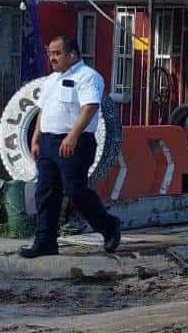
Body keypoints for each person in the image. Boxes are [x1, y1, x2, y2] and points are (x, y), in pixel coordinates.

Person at [20, 36, 121, 259]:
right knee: (45, 192)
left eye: (57, 53)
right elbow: (43, 110)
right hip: (48, 141)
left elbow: (90, 107)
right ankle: (45, 241)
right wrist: (36, 138)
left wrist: (72, 136)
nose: (52, 58)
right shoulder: (51, 80)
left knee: (75, 191)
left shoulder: (88, 77)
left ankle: (109, 226)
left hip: (74, 142)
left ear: (72, 55)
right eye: (50, 54)